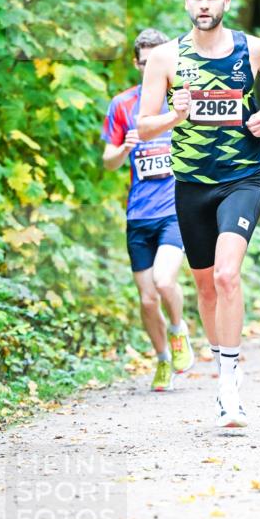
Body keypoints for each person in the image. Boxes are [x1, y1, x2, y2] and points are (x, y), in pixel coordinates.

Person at [137, 0, 260, 429]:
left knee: (228, 275)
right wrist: (172, 115)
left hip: (242, 177)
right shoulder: (166, 58)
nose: (204, 5)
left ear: (226, 3)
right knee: (204, 285)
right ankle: (221, 362)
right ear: (186, 4)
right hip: (190, 185)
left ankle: (229, 381)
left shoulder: (253, 49)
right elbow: (145, 124)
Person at [102, 28, 194, 393]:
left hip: (175, 210)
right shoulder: (123, 105)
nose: (151, 66)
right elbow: (108, 161)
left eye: (157, 59)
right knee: (145, 298)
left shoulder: (183, 102)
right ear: (137, 63)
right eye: (144, 62)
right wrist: (124, 147)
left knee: (164, 280)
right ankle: (162, 360)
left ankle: (178, 329)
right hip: (139, 215)